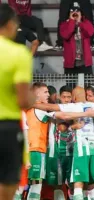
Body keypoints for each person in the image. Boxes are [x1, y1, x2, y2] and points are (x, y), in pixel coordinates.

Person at [0, 4, 34, 200]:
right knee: (7, 184)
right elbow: (23, 100)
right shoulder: (19, 53)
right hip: (7, 128)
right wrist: (32, 98)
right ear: (10, 24)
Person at [60, 2, 94, 75]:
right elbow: (66, 35)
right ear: (69, 13)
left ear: (81, 13)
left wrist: (79, 22)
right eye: (72, 11)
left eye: (77, 11)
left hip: (85, 63)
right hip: (70, 64)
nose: (75, 13)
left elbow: (89, 33)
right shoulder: (64, 25)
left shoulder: (86, 23)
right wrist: (72, 21)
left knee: (86, 86)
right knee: (70, 86)